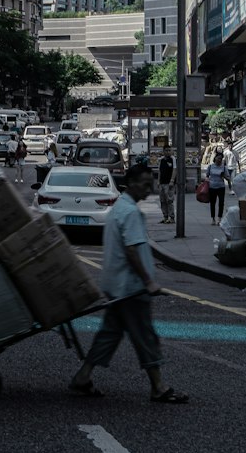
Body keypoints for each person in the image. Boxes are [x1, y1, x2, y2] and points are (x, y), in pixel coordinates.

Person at [69, 164, 187, 403]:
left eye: (151, 183)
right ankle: (159, 387)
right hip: (131, 288)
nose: (150, 188)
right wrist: (148, 281)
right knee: (145, 336)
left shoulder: (118, 208)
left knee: (109, 334)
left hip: (115, 285)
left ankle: (83, 377)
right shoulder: (130, 213)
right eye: (145, 183)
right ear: (131, 183)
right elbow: (132, 250)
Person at [204, 149, 232, 225]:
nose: (219, 160)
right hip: (212, 187)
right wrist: (207, 181)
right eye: (218, 158)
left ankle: (219, 218)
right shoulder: (211, 166)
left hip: (221, 187)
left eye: (221, 159)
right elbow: (206, 176)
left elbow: (228, 178)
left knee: (221, 203)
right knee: (212, 203)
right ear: (215, 158)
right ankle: (213, 218)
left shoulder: (224, 168)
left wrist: (224, 177)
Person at [157, 150, 175, 224]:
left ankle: (172, 217)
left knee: (169, 200)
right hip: (162, 183)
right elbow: (159, 171)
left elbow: (175, 170)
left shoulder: (173, 159)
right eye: (166, 150)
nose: (168, 152)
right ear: (164, 151)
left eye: (169, 150)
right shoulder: (161, 160)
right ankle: (165, 217)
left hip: (168, 183)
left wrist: (172, 180)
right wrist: (158, 181)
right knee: (162, 201)